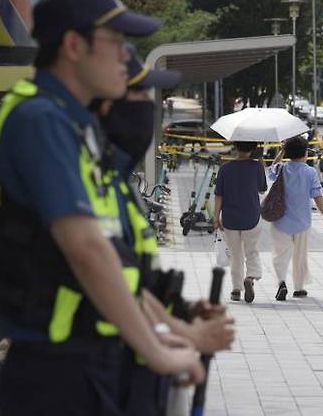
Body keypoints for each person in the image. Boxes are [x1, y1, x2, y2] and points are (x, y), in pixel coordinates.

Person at [0, 0, 204, 414]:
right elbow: (86, 248)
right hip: (56, 371)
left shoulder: (70, 122)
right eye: (116, 40)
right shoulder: (41, 119)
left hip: (81, 359)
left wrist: (160, 329)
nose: (126, 55)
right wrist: (156, 351)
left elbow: (113, 257)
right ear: (73, 45)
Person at [92, 44, 236, 414]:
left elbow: (129, 282)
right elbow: (97, 274)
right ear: (106, 104)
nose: (147, 106)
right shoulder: (86, 180)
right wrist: (184, 337)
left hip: (121, 373)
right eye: (139, 94)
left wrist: (180, 312)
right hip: (81, 376)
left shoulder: (116, 182)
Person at [268, 136, 323, 300]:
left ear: (287, 153)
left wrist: (281, 151)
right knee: (300, 255)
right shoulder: (310, 172)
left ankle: (281, 282)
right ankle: (299, 287)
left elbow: (271, 170)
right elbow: (318, 197)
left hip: (280, 219)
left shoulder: (281, 168)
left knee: (279, 254)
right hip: (302, 221)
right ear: (305, 153)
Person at [213, 141, 268, 303]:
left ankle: (236, 289)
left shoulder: (225, 168)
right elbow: (262, 189)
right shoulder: (257, 166)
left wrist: (216, 217)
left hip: (230, 218)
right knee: (252, 251)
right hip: (251, 216)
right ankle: (250, 277)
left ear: (235, 147)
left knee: (235, 254)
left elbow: (218, 196)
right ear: (253, 148)